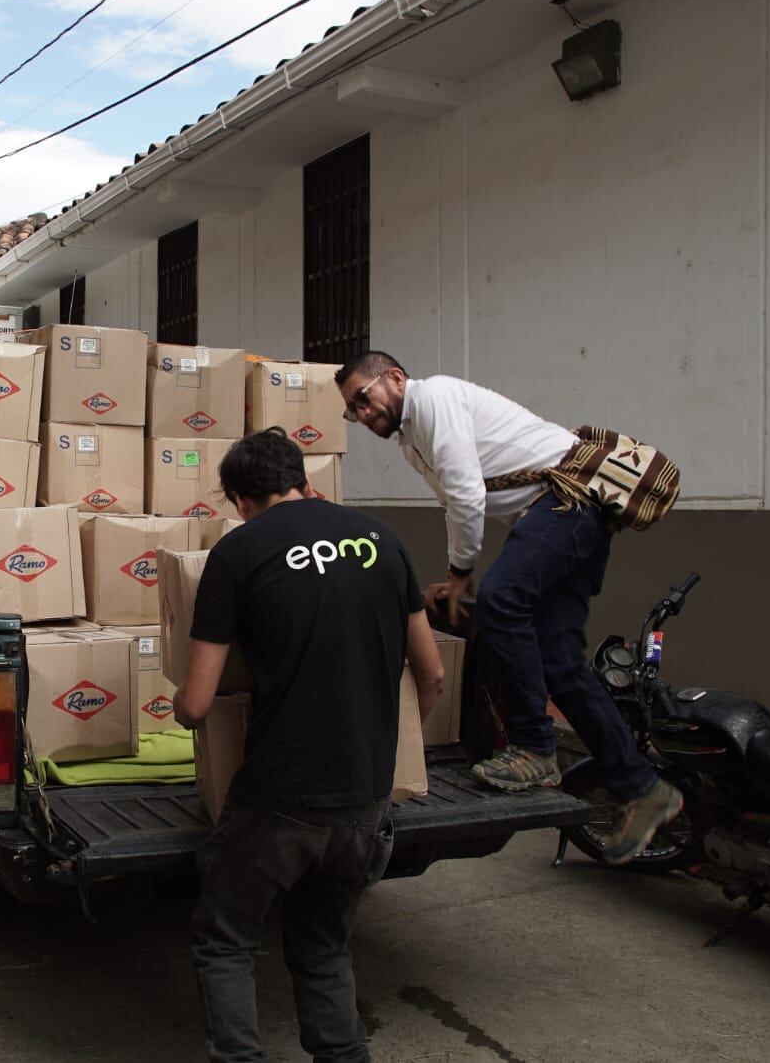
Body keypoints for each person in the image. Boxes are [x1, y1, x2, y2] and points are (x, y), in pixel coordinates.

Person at [334, 351, 681, 865]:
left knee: (499, 602)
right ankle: (643, 788)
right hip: (561, 517)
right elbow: (458, 501)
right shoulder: (412, 439)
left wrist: (460, 573)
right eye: (353, 410)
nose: (362, 414)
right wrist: (455, 572)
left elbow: (467, 494)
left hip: (566, 504)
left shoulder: (434, 399)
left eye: (364, 398)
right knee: (560, 664)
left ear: (396, 378)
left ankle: (535, 747)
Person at [173, 427, 444, 1063]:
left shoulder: (238, 553)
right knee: (323, 944)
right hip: (366, 797)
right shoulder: (382, 540)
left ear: (240, 499)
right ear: (302, 480)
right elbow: (431, 674)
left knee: (226, 937)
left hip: (281, 795)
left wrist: (181, 711)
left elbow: (197, 703)